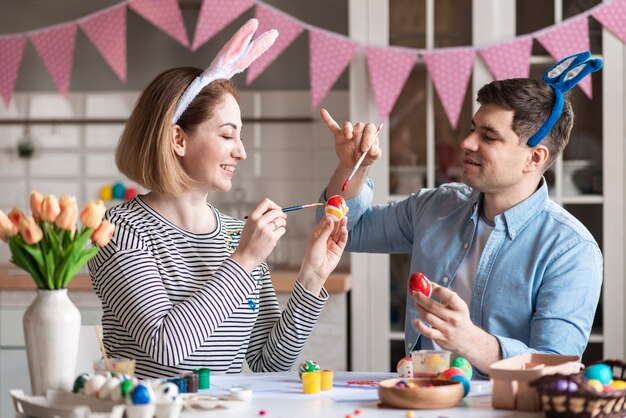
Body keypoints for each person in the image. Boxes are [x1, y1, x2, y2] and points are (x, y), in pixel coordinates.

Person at [88, 19, 348, 379]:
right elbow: (166, 350)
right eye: (227, 136)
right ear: (178, 139)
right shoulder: (119, 231)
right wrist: (243, 261)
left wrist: (311, 277)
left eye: (239, 137)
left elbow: (267, 360)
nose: (240, 152)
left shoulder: (233, 234)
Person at [318, 51, 603, 378]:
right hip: (421, 399)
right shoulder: (437, 206)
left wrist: (470, 341)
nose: (467, 142)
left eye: (488, 136)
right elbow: (344, 232)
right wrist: (353, 167)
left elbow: (556, 369)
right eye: (472, 129)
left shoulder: (572, 250)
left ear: (534, 158)